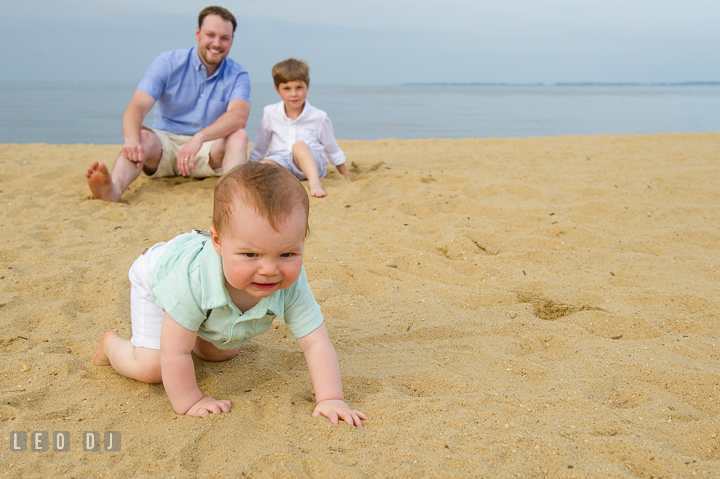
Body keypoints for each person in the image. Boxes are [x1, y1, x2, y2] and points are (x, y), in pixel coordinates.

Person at [92, 162, 367, 426]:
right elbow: (174, 352)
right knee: (153, 368)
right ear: (218, 242)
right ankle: (111, 346)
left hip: (205, 292)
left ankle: (198, 328)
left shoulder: (291, 283)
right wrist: (190, 401)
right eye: (250, 254)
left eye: (287, 253)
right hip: (157, 275)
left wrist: (331, 399)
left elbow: (316, 343)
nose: (270, 270)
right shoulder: (192, 281)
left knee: (221, 351)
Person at [86, 6, 251, 202]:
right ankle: (112, 190)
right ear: (198, 33)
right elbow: (137, 106)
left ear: (232, 40)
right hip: (164, 147)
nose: (216, 43)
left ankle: (232, 198)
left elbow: (239, 116)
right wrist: (131, 139)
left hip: (207, 150)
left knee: (239, 136)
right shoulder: (168, 62)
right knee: (140, 137)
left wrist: (198, 138)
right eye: (210, 35)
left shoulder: (238, 74)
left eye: (224, 38)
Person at [248, 58, 350, 198]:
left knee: (299, 146)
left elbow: (331, 147)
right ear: (277, 90)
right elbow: (261, 145)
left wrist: (344, 172)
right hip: (284, 162)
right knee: (266, 163)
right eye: (287, 88)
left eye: (299, 87)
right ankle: (284, 182)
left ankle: (314, 183)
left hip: (312, 163)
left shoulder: (319, 116)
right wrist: (251, 167)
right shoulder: (270, 113)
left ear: (308, 86)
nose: (294, 94)